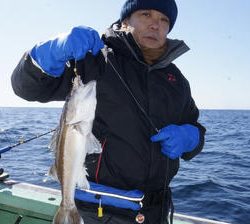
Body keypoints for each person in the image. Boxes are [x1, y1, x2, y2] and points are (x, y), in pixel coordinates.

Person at [11, 0, 206, 223]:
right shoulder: (95, 59)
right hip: (100, 211)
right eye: (146, 14)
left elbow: (196, 127)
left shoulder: (176, 80)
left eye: (164, 20)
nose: (155, 25)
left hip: (157, 212)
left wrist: (191, 137)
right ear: (125, 21)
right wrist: (49, 52)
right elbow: (27, 88)